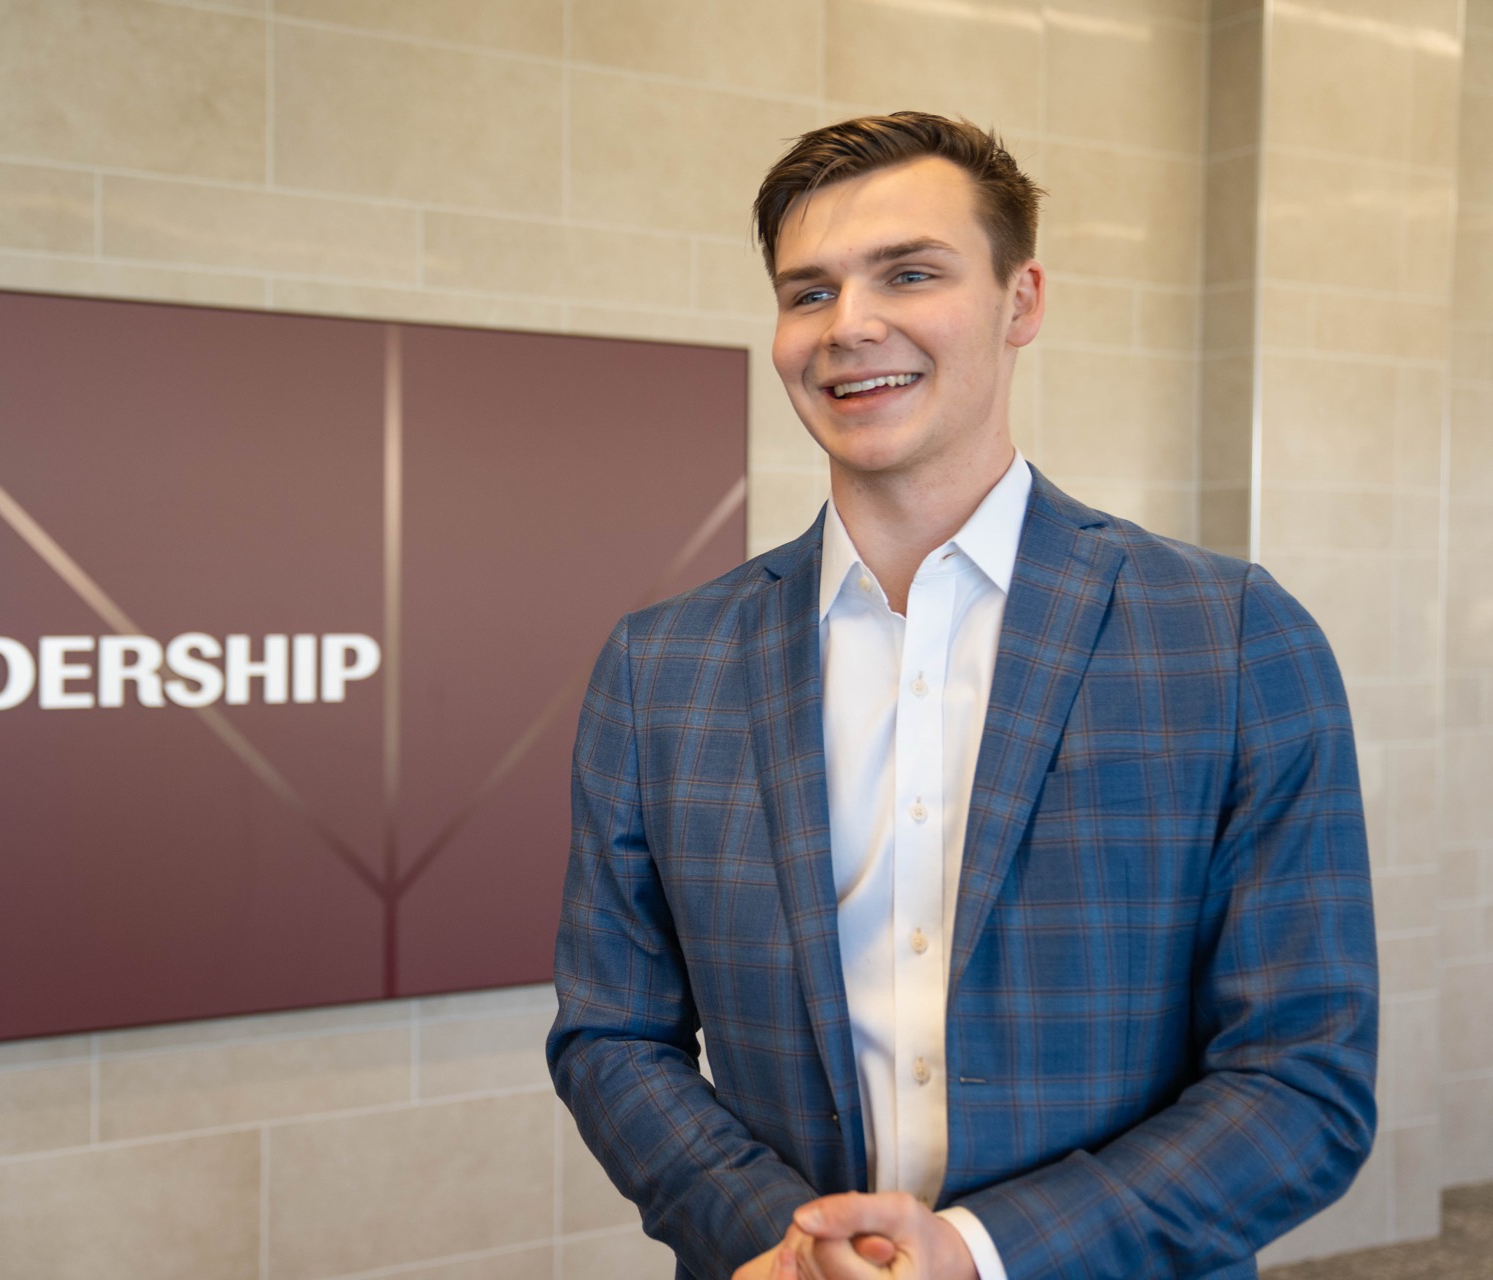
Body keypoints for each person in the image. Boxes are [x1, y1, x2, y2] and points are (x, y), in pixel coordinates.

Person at [545, 112, 1378, 1280]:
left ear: (1021, 300)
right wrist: (778, 1242)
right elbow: (613, 1034)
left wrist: (981, 1255)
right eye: (809, 291)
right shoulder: (661, 666)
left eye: (911, 273)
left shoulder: (1229, 637)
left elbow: (1302, 1081)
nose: (853, 326)